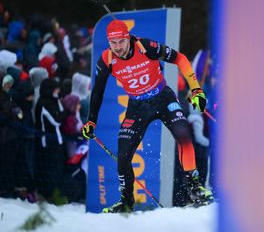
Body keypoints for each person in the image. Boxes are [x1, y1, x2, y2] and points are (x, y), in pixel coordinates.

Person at [81, 20, 213, 213]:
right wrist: (91, 120)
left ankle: (195, 189)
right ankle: (126, 202)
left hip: (163, 97)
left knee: (184, 136)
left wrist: (196, 90)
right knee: (123, 155)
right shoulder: (107, 59)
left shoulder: (146, 47)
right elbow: (98, 92)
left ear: (128, 39)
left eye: (121, 42)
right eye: (113, 43)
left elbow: (181, 59)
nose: (117, 47)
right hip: (137, 106)